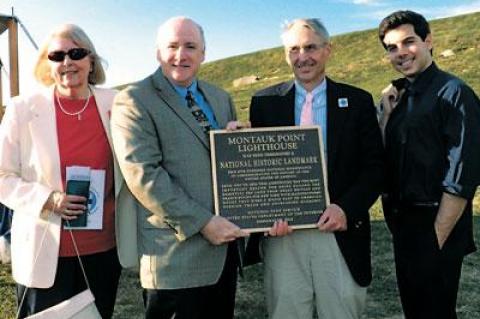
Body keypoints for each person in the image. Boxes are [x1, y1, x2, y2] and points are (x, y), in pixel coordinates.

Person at [111, 16, 248, 319]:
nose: (181, 55)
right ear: (158, 52)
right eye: (172, 46)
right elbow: (143, 175)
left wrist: (236, 144)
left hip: (223, 253)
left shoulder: (219, 97)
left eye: (190, 46)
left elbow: (222, 163)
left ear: (203, 53)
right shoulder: (134, 100)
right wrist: (203, 222)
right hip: (175, 258)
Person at [247, 18, 384, 319]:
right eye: (293, 49)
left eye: (310, 47)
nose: (302, 57)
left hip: (338, 233)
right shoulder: (264, 102)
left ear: (327, 50)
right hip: (284, 235)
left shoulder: (358, 101)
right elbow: (255, 169)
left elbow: (375, 168)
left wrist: (345, 209)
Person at [0, 24, 137, 318]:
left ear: (91, 61)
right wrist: (47, 199)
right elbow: (2, 176)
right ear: (46, 64)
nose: (67, 62)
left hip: (103, 250)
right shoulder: (23, 109)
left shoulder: (118, 103)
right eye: (57, 55)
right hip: (44, 250)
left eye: (76, 53)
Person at [377, 10, 480, 319]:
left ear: (428, 41)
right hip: (405, 225)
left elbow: (462, 175)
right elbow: (387, 159)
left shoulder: (455, 93)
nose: (400, 53)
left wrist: (436, 238)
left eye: (408, 42)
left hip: (436, 223)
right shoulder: (399, 97)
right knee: (416, 310)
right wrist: (385, 115)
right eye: (392, 48)